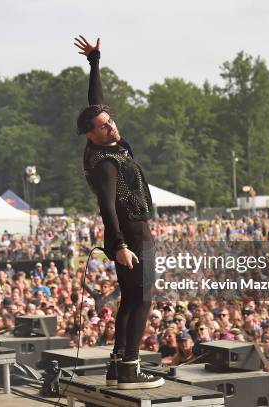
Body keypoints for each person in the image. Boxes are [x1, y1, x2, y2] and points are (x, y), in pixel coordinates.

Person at [75, 35, 163, 390]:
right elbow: (107, 207)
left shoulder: (104, 143)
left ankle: (117, 363)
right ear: (91, 136)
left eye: (110, 121)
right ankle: (130, 367)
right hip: (132, 236)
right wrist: (122, 244)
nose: (111, 125)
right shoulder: (105, 162)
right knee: (141, 300)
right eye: (103, 125)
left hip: (127, 237)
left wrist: (94, 63)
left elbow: (95, 103)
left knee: (130, 299)